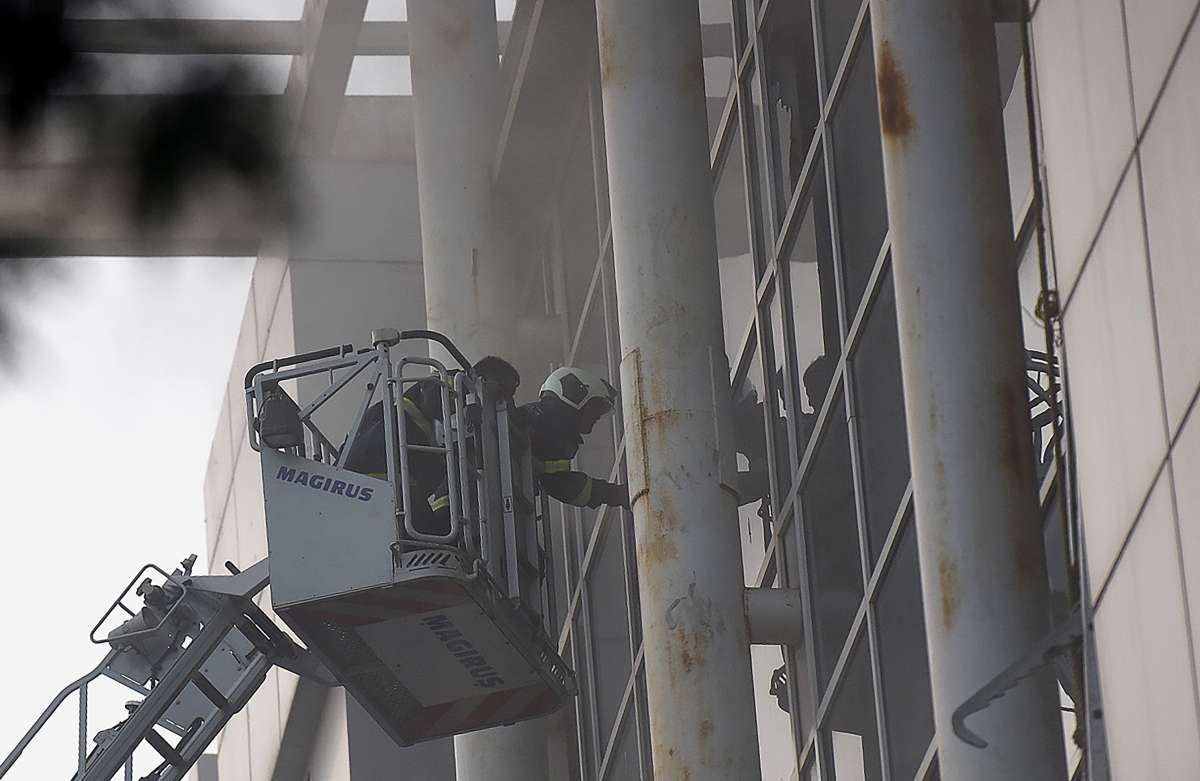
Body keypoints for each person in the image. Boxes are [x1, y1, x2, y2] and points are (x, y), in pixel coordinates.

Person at [519, 367, 630, 510]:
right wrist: (614, 494)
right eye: (595, 407)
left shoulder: (550, 428)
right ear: (574, 396)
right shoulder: (544, 424)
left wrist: (614, 494)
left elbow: (560, 481)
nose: (598, 417)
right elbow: (560, 484)